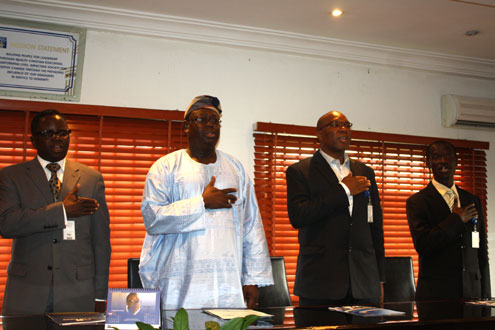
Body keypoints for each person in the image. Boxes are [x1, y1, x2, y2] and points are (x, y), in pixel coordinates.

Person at [139, 95, 273, 310]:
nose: (210, 124)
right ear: (186, 127)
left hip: (227, 282)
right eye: (202, 119)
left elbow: (251, 225)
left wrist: (252, 278)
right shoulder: (166, 167)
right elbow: (153, 218)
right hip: (179, 283)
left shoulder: (235, 168)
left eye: (215, 120)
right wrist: (201, 203)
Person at [0, 109, 111, 315]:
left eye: (63, 132)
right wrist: (62, 212)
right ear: (33, 140)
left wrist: (100, 294)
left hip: (77, 292)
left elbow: (101, 241)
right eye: (48, 133)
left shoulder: (91, 178)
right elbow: (7, 224)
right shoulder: (11, 176)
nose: (57, 138)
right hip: (27, 292)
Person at [286, 110, 385, 306]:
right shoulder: (300, 171)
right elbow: (298, 216)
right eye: (335, 124)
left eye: (347, 125)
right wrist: (344, 189)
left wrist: (380, 277)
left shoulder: (365, 172)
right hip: (320, 283)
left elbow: (375, 228)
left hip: (364, 283)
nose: (343, 129)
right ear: (319, 134)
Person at [407, 140, 490, 301]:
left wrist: (486, 294)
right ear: (428, 163)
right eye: (437, 157)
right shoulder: (417, 201)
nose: (443, 161)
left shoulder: (472, 199)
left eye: (448, 156)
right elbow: (423, 244)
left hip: (473, 293)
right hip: (437, 294)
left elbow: (481, 251)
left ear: (456, 161)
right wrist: (457, 220)